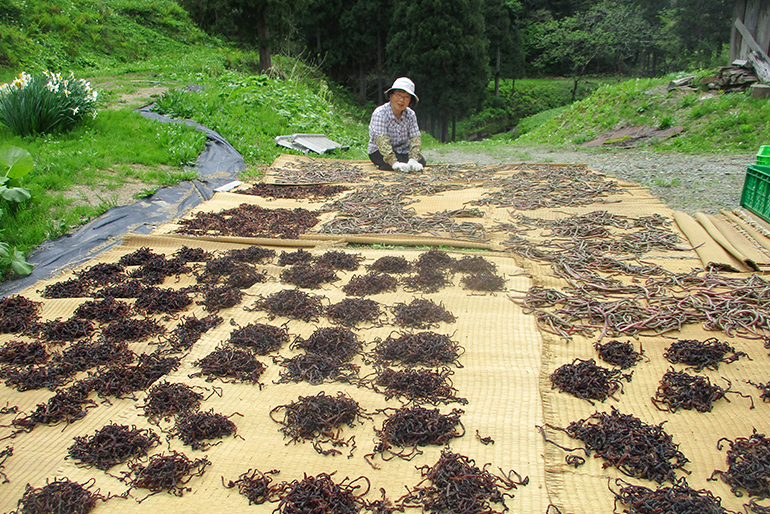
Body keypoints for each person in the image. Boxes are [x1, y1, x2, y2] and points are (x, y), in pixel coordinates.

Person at [368, 77, 427, 172]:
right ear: (391, 95)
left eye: (406, 97)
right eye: (399, 95)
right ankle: (393, 164)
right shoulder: (380, 113)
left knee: (421, 162)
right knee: (389, 165)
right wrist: (394, 162)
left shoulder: (411, 114)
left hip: (402, 150)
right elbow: (382, 141)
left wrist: (413, 159)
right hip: (380, 151)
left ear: (410, 100)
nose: (401, 100)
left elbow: (415, 138)